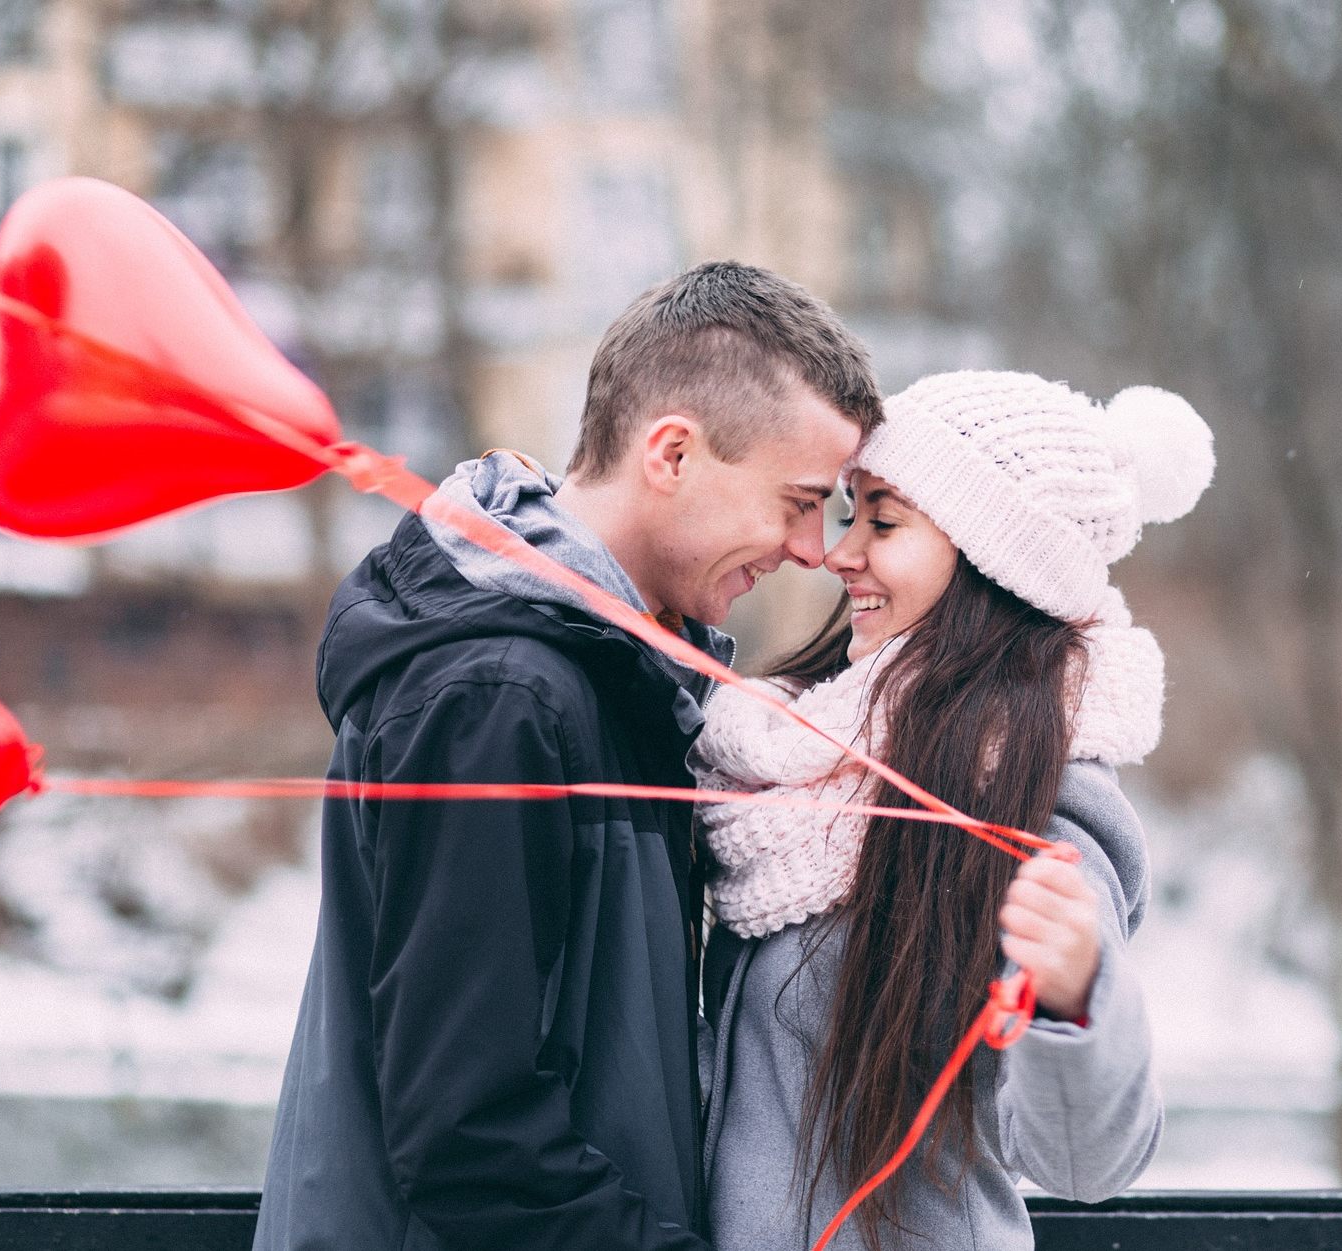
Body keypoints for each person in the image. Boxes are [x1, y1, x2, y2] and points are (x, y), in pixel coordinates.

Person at [254, 261, 883, 1251]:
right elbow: (468, 1135)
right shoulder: (499, 698)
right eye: (799, 501)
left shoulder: (611, 678)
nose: (814, 549)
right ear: (671, 454)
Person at [691, 370, 1215, 1250]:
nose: (841, 551)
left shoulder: (1037, 801)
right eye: (849, 511)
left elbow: (1088, 1162)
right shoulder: (784, 765)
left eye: (883, 521)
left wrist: (1074, 998)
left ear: (992, 560)